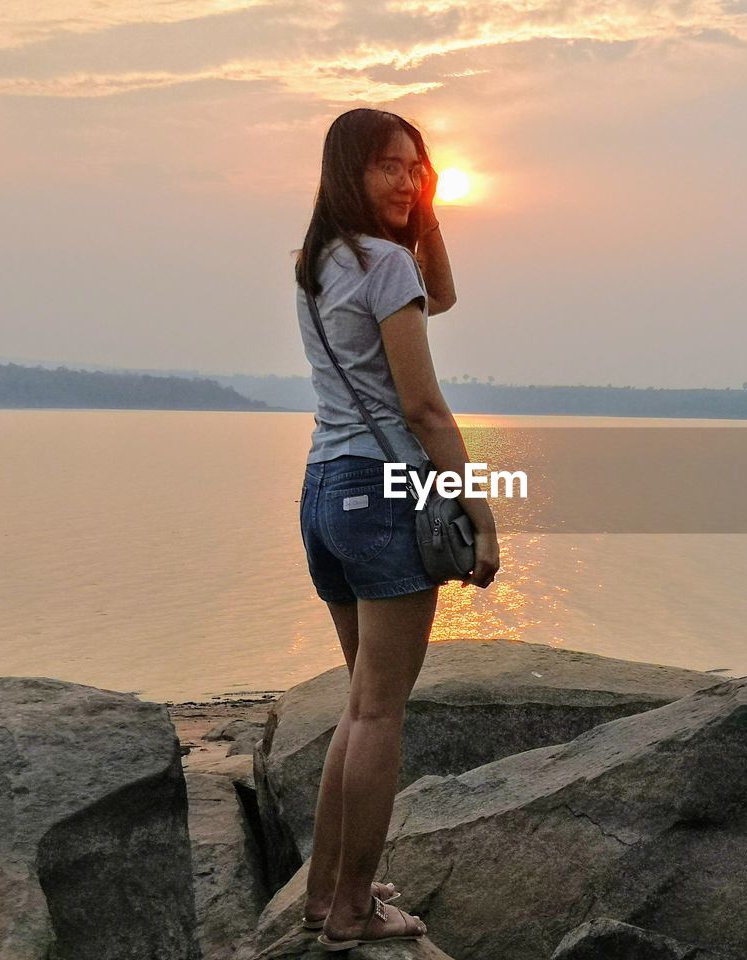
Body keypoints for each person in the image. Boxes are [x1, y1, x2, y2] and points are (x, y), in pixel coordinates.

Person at [291, 107, 501, 950]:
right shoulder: (382, 266)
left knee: (359, 705)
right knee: (380, 713)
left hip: (324, 491)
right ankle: (352, 913)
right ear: (348, 171)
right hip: (386, 494)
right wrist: (480, 516)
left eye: (417, 167)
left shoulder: (319, 262)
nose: (406, 180)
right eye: (387, 166)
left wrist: (431, 210)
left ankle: (321, 896)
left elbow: (440, 294)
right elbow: (423, 407)